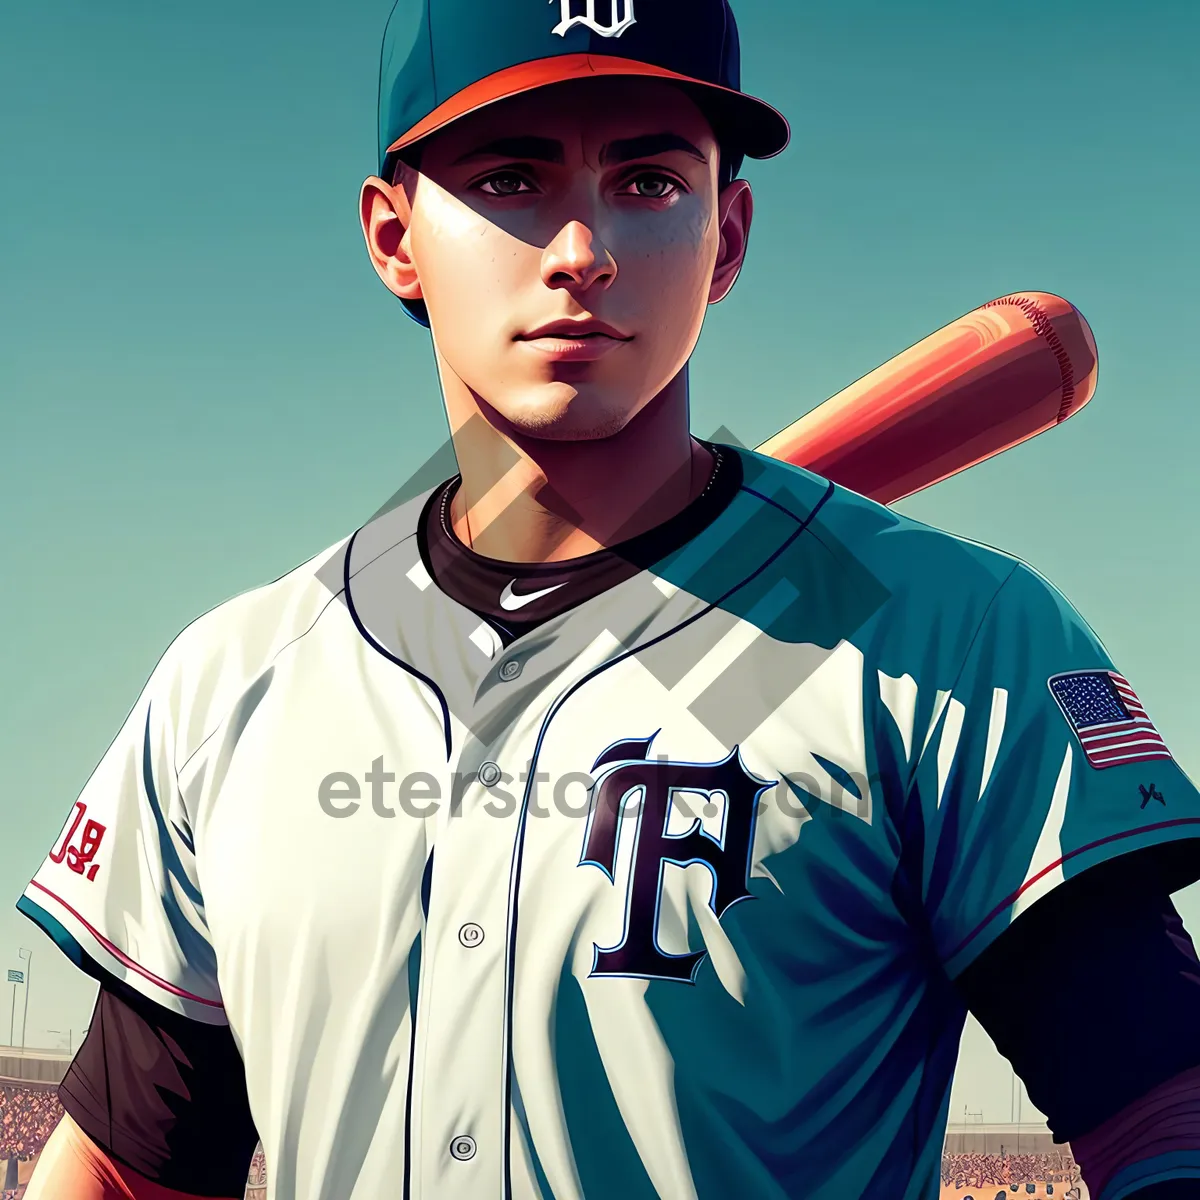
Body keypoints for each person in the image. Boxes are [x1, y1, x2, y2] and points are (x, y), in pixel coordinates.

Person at [17, 0, 1200, 1197]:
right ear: (393, 238)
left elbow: (1166, 1121)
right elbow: (125, 1171)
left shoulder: (945, 638)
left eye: (646, 181)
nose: (584, 248)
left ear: (727, 237)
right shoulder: (238, 680)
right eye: (512, 175)